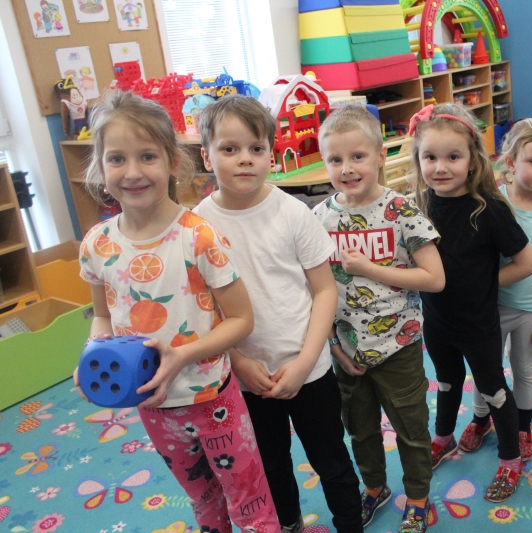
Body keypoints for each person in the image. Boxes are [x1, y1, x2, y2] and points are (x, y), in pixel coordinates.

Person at [74, 91, 280, 533]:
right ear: (100, 167)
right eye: (117, 159)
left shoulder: (199, 237)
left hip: (212, 399)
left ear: (172, 161)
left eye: (147, 156)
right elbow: (103, 317)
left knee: (249, 501)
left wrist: (182, 355)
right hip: (152, 403)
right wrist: (94, 352)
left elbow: (241, 319)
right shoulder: (97, 245)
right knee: (202, 500)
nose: (132, 172)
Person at [193, 95, 363, 533]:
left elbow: (324, 290)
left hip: (309, 369)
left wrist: (306, 361)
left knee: (332, 460)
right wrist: (238, 361)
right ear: (206, 156)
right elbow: (200, 308)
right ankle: (287, 524)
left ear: (272, 154)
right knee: (268, 465)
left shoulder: (293, 212)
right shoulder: (196, 226)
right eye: (229, 149)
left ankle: (350, 524)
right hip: (244, 378)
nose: (244, 159)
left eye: (256, 148)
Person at [313, 106, 445, 533]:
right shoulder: (318, 218)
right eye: (335, 159)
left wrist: (370, 269)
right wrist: (334, 345)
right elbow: (313, 288)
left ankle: (418, 497)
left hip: (398, 346)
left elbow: (435, 278)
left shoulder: (402, 210)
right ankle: (375, 488)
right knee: (360, 429)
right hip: (346, 350)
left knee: (411, 428)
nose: (347, 169)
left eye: (358, 156)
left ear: (380, 156)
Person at [410, 104, 532, 503]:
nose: (440, 167)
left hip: (478, 325)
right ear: (418, 159)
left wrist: (481, 284)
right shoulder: (418, 205)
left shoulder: (489, 208)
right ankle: (443, 438)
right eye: (430, 157)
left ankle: (510, 459)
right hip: (436, 322)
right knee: (446, 382)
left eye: (453, 157)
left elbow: (527, 263)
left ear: (472, 159)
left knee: (493, 390)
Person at [462, 118, 532, 459]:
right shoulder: (491, 202)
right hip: (489, 307)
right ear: (510, 163)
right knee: (487, 370)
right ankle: (481, 419)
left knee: (524, 371)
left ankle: (522, 427)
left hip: (530, 310)